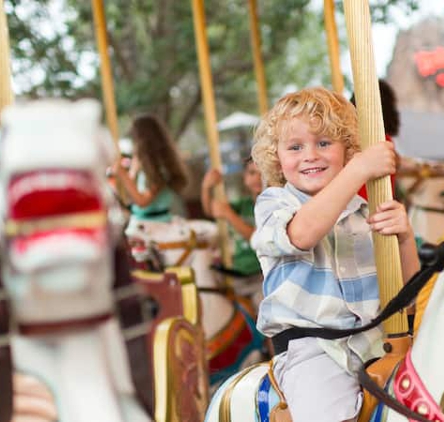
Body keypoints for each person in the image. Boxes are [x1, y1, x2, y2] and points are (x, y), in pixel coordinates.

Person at [250, 87, 420, 422]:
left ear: (346, 149)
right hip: (316, 352)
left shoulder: (365, 212)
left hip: (379, 343)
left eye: (324, 143)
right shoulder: (275, 205)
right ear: (278, 159)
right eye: (295, 147)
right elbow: (302, 234)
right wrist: (356, 172)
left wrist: (405, 239)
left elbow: (408, 299)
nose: (310, 155)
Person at [201, 157, 263, 303]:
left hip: (261, 275)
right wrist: (206, 187)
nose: (257, 178)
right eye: (252, 173)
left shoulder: (273, 205)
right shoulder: (243, 205)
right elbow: (211, 210)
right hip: (238, 273)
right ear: (245, 178)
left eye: (263, 174)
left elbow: (257, 238)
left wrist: (229, 214)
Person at [114, 114, 189, 223]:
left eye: (135, 139)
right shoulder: (145, 166)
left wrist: (123, 174)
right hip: (143, 221)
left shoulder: (161, 168)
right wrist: (132, 171)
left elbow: (142, 201)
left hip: (155, 224)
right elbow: (130, 194)